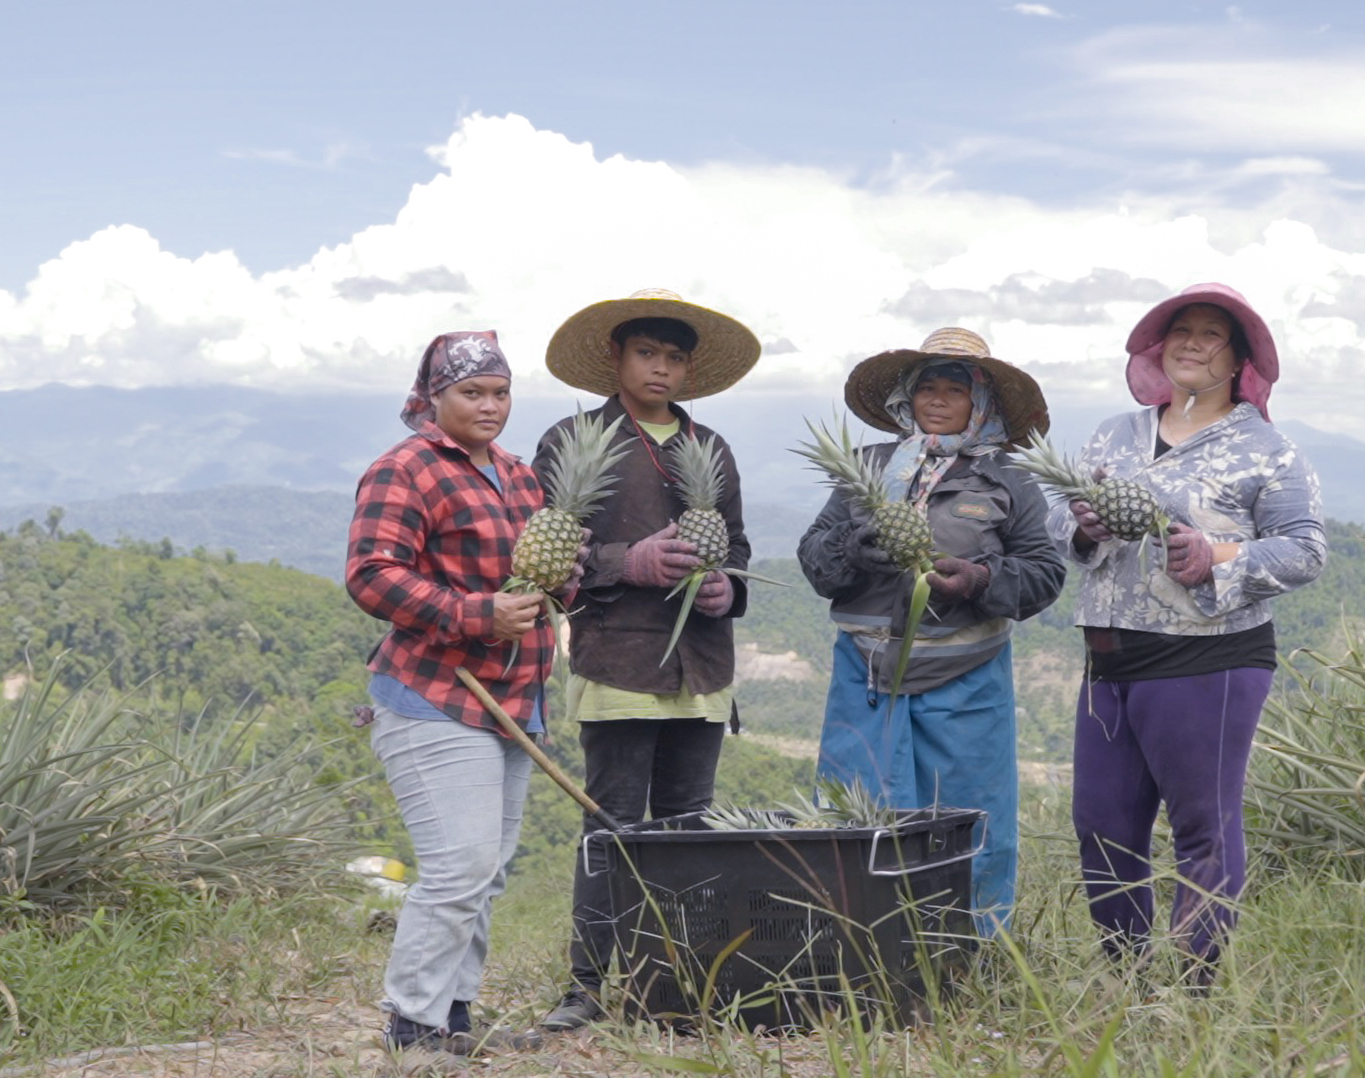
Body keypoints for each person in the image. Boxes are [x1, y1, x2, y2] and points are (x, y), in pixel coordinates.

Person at [1049, 282, 1326, 989]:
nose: (1192, 344)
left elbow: (1304, 549)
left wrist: (1217, 559)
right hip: (1109, 657)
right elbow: (1057, 522)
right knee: (1103, 826)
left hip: (1208, 659)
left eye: (1211, 334)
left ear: (1238, 359)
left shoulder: (1266, 450)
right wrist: (1081, 528)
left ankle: (1195, 986)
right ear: (1158, 346)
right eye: (1181, 330)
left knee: (1202, 824)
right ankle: (1130, 979)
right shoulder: (1115, 433)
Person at [345, 330, 587, 1055]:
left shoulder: (517, 474)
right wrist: (473, 614)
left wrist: (562, 579)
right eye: (472, 393)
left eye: (501, 392)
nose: (490, 406)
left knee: (487, 871)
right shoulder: (406, 469)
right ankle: (409, 1028)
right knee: (458, 866)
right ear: (435, 397)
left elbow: (543, 573)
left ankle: (453, 1020)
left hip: (513, 700)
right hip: (434, 695)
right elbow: (371, 573)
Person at [534, 288, 761, 1032]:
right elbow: (548, 555)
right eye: (646, 354)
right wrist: (622, 562)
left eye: (673, 358)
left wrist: (730, 589)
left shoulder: (711, 449)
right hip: (618, 664)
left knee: (688, 829)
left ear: (689, 369)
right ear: (617, 357)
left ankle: (682, 984)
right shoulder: (573, 439)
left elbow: (739, 545)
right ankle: (590, 986)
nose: (660, 369)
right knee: (613, 826)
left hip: (702, 667)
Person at [797, 327, 1065, 934]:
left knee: (973, 818)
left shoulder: (1008, 480)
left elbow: (1045, 574)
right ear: (907, 398)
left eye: (954, 389)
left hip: (966, 682)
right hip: (865, 678)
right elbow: (814, 559)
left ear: (980, 404)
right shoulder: (865, 470)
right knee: (858, 818)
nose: (937, 400)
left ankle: (972, 950)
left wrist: (976, 580)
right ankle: (859, 947)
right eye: (927, 388)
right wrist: (856, 545)